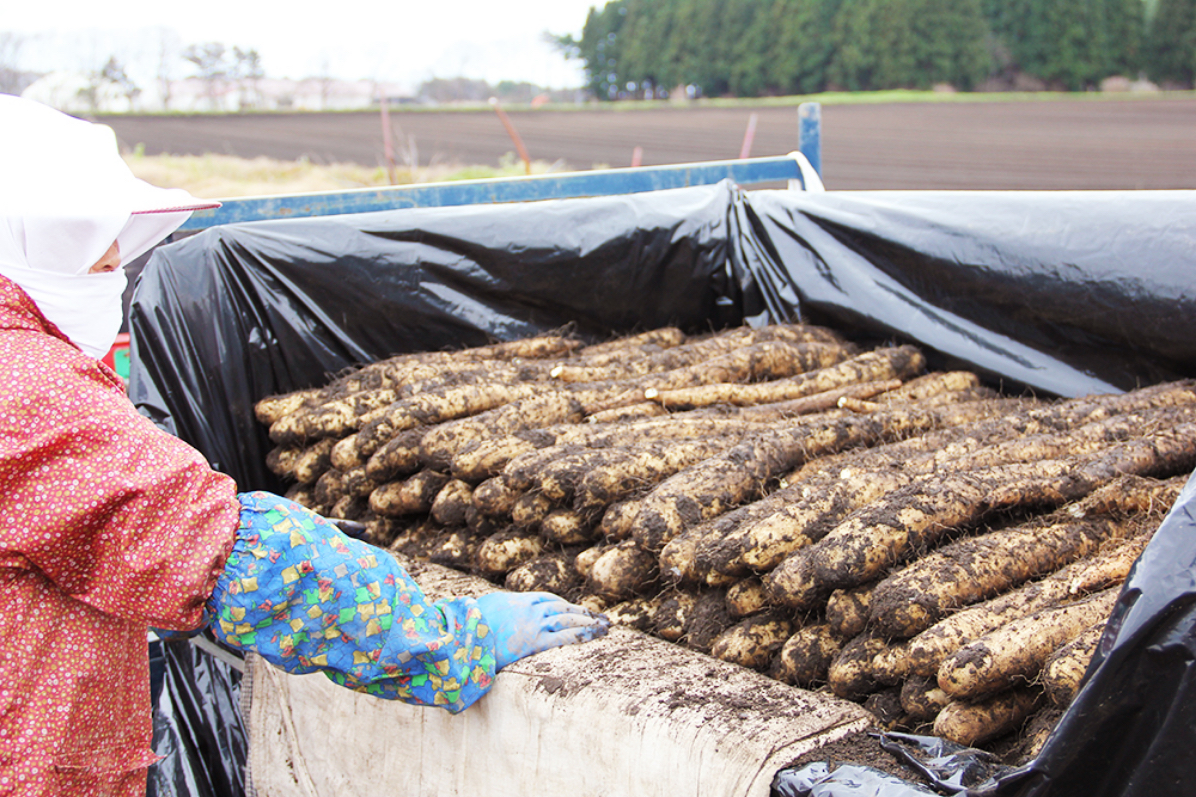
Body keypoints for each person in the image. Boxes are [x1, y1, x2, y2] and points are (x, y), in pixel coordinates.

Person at [0, 95, 609, 797]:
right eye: (92, 249)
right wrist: (450, 637)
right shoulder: (29, 392)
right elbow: (234, 559)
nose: (111, 266)